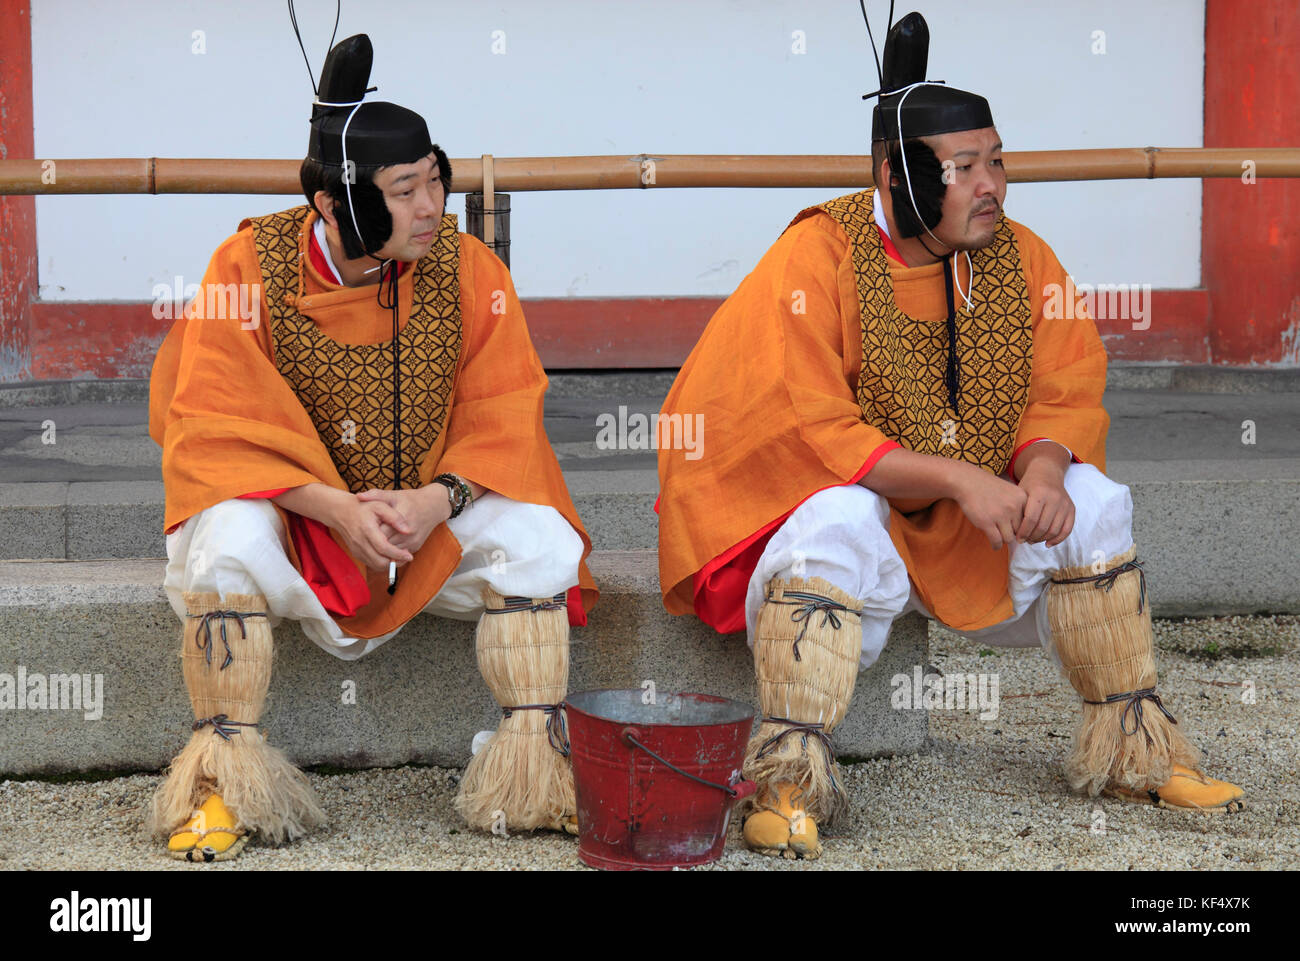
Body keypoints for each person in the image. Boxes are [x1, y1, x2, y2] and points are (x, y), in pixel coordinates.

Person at [655, 10, 1243, 861]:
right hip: (865, 528)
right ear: (897, 176)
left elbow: (1065, 383)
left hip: (983, 522)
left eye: (997, 160)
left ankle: (1134, 749)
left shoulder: (1020, 257)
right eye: (964, 167)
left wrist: (1042, 469)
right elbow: (811, 427)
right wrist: (964, 480)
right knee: (837, 518)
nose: (992, 184)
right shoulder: (818, 256)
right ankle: (786, 784)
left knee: (1092, 496)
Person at [147, 32, 597, 862]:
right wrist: (331, 507)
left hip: (422, 522)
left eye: (437, 181)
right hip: (303, 519)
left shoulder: (471, 269)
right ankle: (221, 781)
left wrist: (436, 501)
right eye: (404, 190)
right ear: (335, 206)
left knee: (543, 537)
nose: (431, 208)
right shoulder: (247, 263)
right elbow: (213, 420)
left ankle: (534, 774)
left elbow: (506, 410)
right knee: (224, 544)